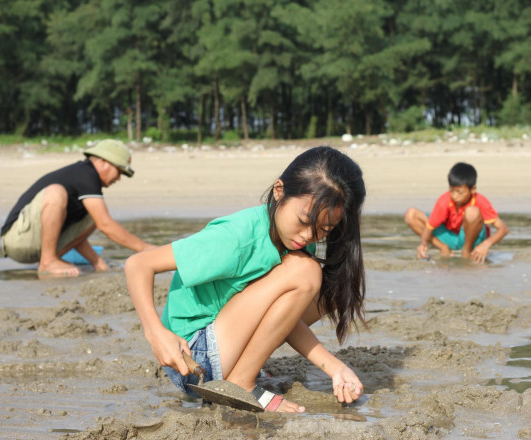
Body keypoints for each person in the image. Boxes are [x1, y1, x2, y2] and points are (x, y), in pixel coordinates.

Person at [125, 146, 367, 413]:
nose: (309, 235)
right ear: (279, 191)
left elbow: (284, 317)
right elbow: (138, 264)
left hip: (224, 347)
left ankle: (243, 371)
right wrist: (156, 333)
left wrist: (334, 367)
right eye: (303, 220)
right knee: (306, 272)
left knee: (331, 291)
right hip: (193, 360)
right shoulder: (237, 237)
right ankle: (241, 381)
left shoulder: (296, 243)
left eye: (324, 229)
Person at [0, 139, 155, 277]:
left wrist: (99, 264)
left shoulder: (88, 182)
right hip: (17, 239)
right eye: (119, 171)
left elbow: (78, 236)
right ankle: (48, 261)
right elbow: (105, 225)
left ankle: (50, 259)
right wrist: (145, 248)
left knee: (92, 216)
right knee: (56, 192)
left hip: (35, 245)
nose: (119, 178)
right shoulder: (86, 173)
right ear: (103, 162)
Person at [405, 162, 508, 263]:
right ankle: (444, 248)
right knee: (411, 214)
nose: (455, 196)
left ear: (473, 189)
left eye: (460, 192)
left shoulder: (480, 201)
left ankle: (466, 251)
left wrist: (486, 244)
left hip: (474, 242)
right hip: (450, 238)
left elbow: (503, 229)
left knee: (472, 211)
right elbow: (428, 227)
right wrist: (423, 244)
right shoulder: (444, 200)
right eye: (452, 190)